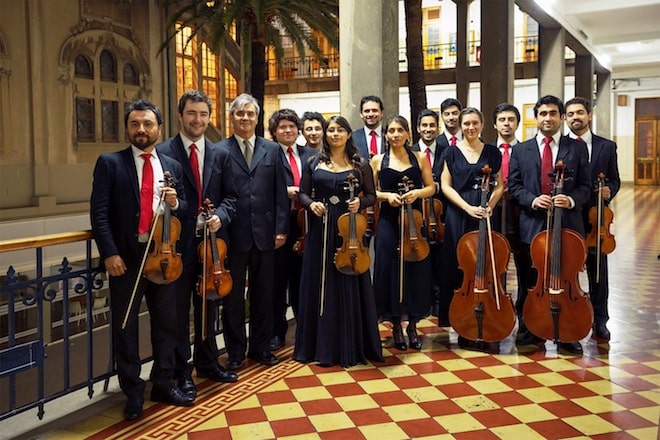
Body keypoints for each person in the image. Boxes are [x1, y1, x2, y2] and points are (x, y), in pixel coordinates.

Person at [91, 99, 193, 420]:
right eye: (135, 124)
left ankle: (162, 383)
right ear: (127, 128)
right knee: (126, 327)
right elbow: (100, 213)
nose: (141, 130)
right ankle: (133, 391)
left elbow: (185, 210)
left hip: (163, 256)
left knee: (167, 324)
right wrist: (109, 253)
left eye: (147, 124)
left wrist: (176, 203)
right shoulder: (110, 163)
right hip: (127, 258)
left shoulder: (172, 165)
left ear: (159, 128)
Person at [157, 90, 239, 398]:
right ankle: (182, 371)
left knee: (209, 307)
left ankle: (208, 362)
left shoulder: (220, 154)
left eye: (203, 114)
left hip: (212, 245)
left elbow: (232, 197)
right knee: (178, 312)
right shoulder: (164, 152)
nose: (198, 120)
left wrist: (220, 215)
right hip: (178, 246)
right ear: (180, 115)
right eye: (192, 113)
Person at [293, 115, 384, 367]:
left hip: (349, 230)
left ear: (347, 134)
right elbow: (302, 193)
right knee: (320, 282)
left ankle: (350, 345)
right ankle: (319, 347)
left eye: (339, 130)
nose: (334, 134)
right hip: (321, 227)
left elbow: (372, 196)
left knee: (348, 280)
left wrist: (360, 203)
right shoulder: (313, 162)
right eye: (330, 130)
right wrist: (311, 204)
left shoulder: (360, 164)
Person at [508, 95, 592, 355]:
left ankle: (566, 333)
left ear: (561, 117)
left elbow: (586, 187)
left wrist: (569, 199)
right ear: (536, 116)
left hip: (567, 225)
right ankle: (531, 327)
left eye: (553, 113)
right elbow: (514, 186)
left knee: (566, 276)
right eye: (543, 113)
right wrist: (533, 200)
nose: (548, 118)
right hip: (532, 225)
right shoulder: (521, 149)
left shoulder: (576, 148)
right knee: (529, 280)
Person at [217, 93, 290, 370]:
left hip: (266, 235)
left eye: (250, 114)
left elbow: (280, 194)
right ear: (232, 117)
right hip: (233, 237)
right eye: (240, 113)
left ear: (257, 119)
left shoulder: (271, 150)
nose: (245, 118)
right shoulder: (219, 150)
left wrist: (281, 228)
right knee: (233, 298)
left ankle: (260, 347)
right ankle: (235, 351)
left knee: (264, 296)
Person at [439, 107, 504, 351]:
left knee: (487, 265)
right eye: (466, 123)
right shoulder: (450, 152)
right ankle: (462, 323)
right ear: (460, 125)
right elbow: (445, 186)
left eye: (475, 123)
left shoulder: (492, 152)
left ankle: (490, 319)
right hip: (460, 212)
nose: (470, 127)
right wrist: (467, 207)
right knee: (459, 268)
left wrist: (490, 205)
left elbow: (499, 185)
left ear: (482, 124)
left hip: (485, 213)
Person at [371, 116, 436, 351]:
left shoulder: (419, 158)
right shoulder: (378, 161)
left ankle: (413, 325)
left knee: (415, 270)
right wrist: (386, 196)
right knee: (389, 269)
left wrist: (417, 193)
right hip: (389, 221)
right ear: (386, 135)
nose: (396, 134)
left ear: (409, 133)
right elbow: (368, 192)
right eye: (391, 130)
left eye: (400, 130)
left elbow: (432, 187)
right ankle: (396, 324)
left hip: (414, 222)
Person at [565, 96, 620, 341]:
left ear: (589, 115)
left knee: (599, 272)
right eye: (570, 114)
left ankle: (600, 320)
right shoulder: (561, 145)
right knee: (566, 269)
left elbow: (614, 179)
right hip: (570, 213)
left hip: (596, 217)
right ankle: (569, 316)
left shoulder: (606, 147)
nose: (575, 117)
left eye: (579, 113)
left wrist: (609, 189)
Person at [268, 108, 315, 351]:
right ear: (274, 132)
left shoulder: (311, 154)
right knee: (278, 281)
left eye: (291, 126)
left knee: (303, 280)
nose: (288, 130)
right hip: (280, 224)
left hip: (306, 224)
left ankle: (304, 329)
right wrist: (283, 191)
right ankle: (277, 331)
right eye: (282, 127)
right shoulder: (268, 154)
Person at [490, 103, 530, 320]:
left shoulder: (527, 150)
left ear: (517, 123)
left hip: (520, 213)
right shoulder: (487, 151)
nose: (506, 123)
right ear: (495, 125)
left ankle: (524, 313)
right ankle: (497, 309)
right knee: (495, 263)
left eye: (511, 119)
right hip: (494, 213)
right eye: (502, 120)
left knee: (524, 263)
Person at [411, 109, 449, 322]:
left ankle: (438, 303)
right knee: (418, 261)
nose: (428, 129)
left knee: (440, 260)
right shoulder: (410, 152)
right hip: (416, 215)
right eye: (424, 126)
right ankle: (420, 304)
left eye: (432, 125)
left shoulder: (447, 151)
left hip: (439, 214)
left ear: (438, 127)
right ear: (418, 129)